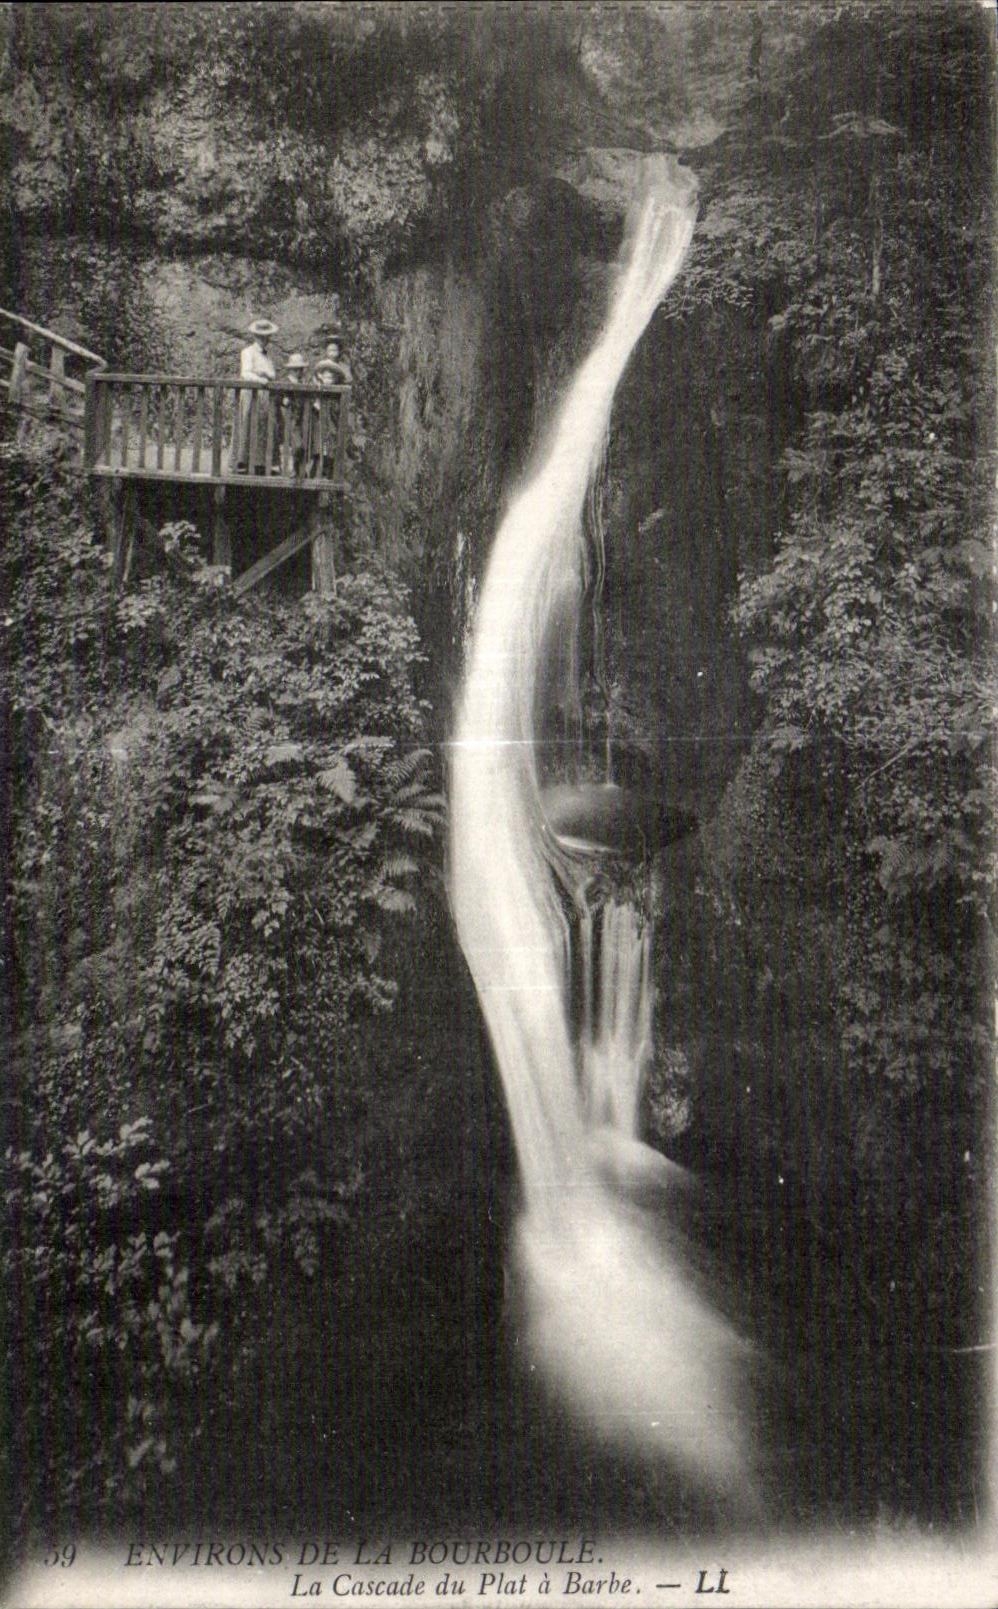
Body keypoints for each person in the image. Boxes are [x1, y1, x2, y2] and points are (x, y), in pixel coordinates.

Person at [235, 318, 278, 472]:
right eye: (260, 336)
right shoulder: (247, 352)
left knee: (263, 426)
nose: (264, 339)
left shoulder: (267, 356)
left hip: (264, 396)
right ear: (255, 336)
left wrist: (265, 373)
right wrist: (260, 379)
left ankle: (260, 462)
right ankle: (242, 462)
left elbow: (272, 374)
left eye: (266, 336)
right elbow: (245, 373)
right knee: (248, 424)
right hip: (251, 394)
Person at [280, 351, 309, 475]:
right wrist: (284, 400)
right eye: (296, 369)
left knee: (300, 443)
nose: (298, 372)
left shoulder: (302, 383)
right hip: (288, 416)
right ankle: (291, 469)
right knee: (294, 443)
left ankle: (299, 470)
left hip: (299, 417)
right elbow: (279, 397)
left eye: (300, 369)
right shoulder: (285, 382)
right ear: (290, 370)